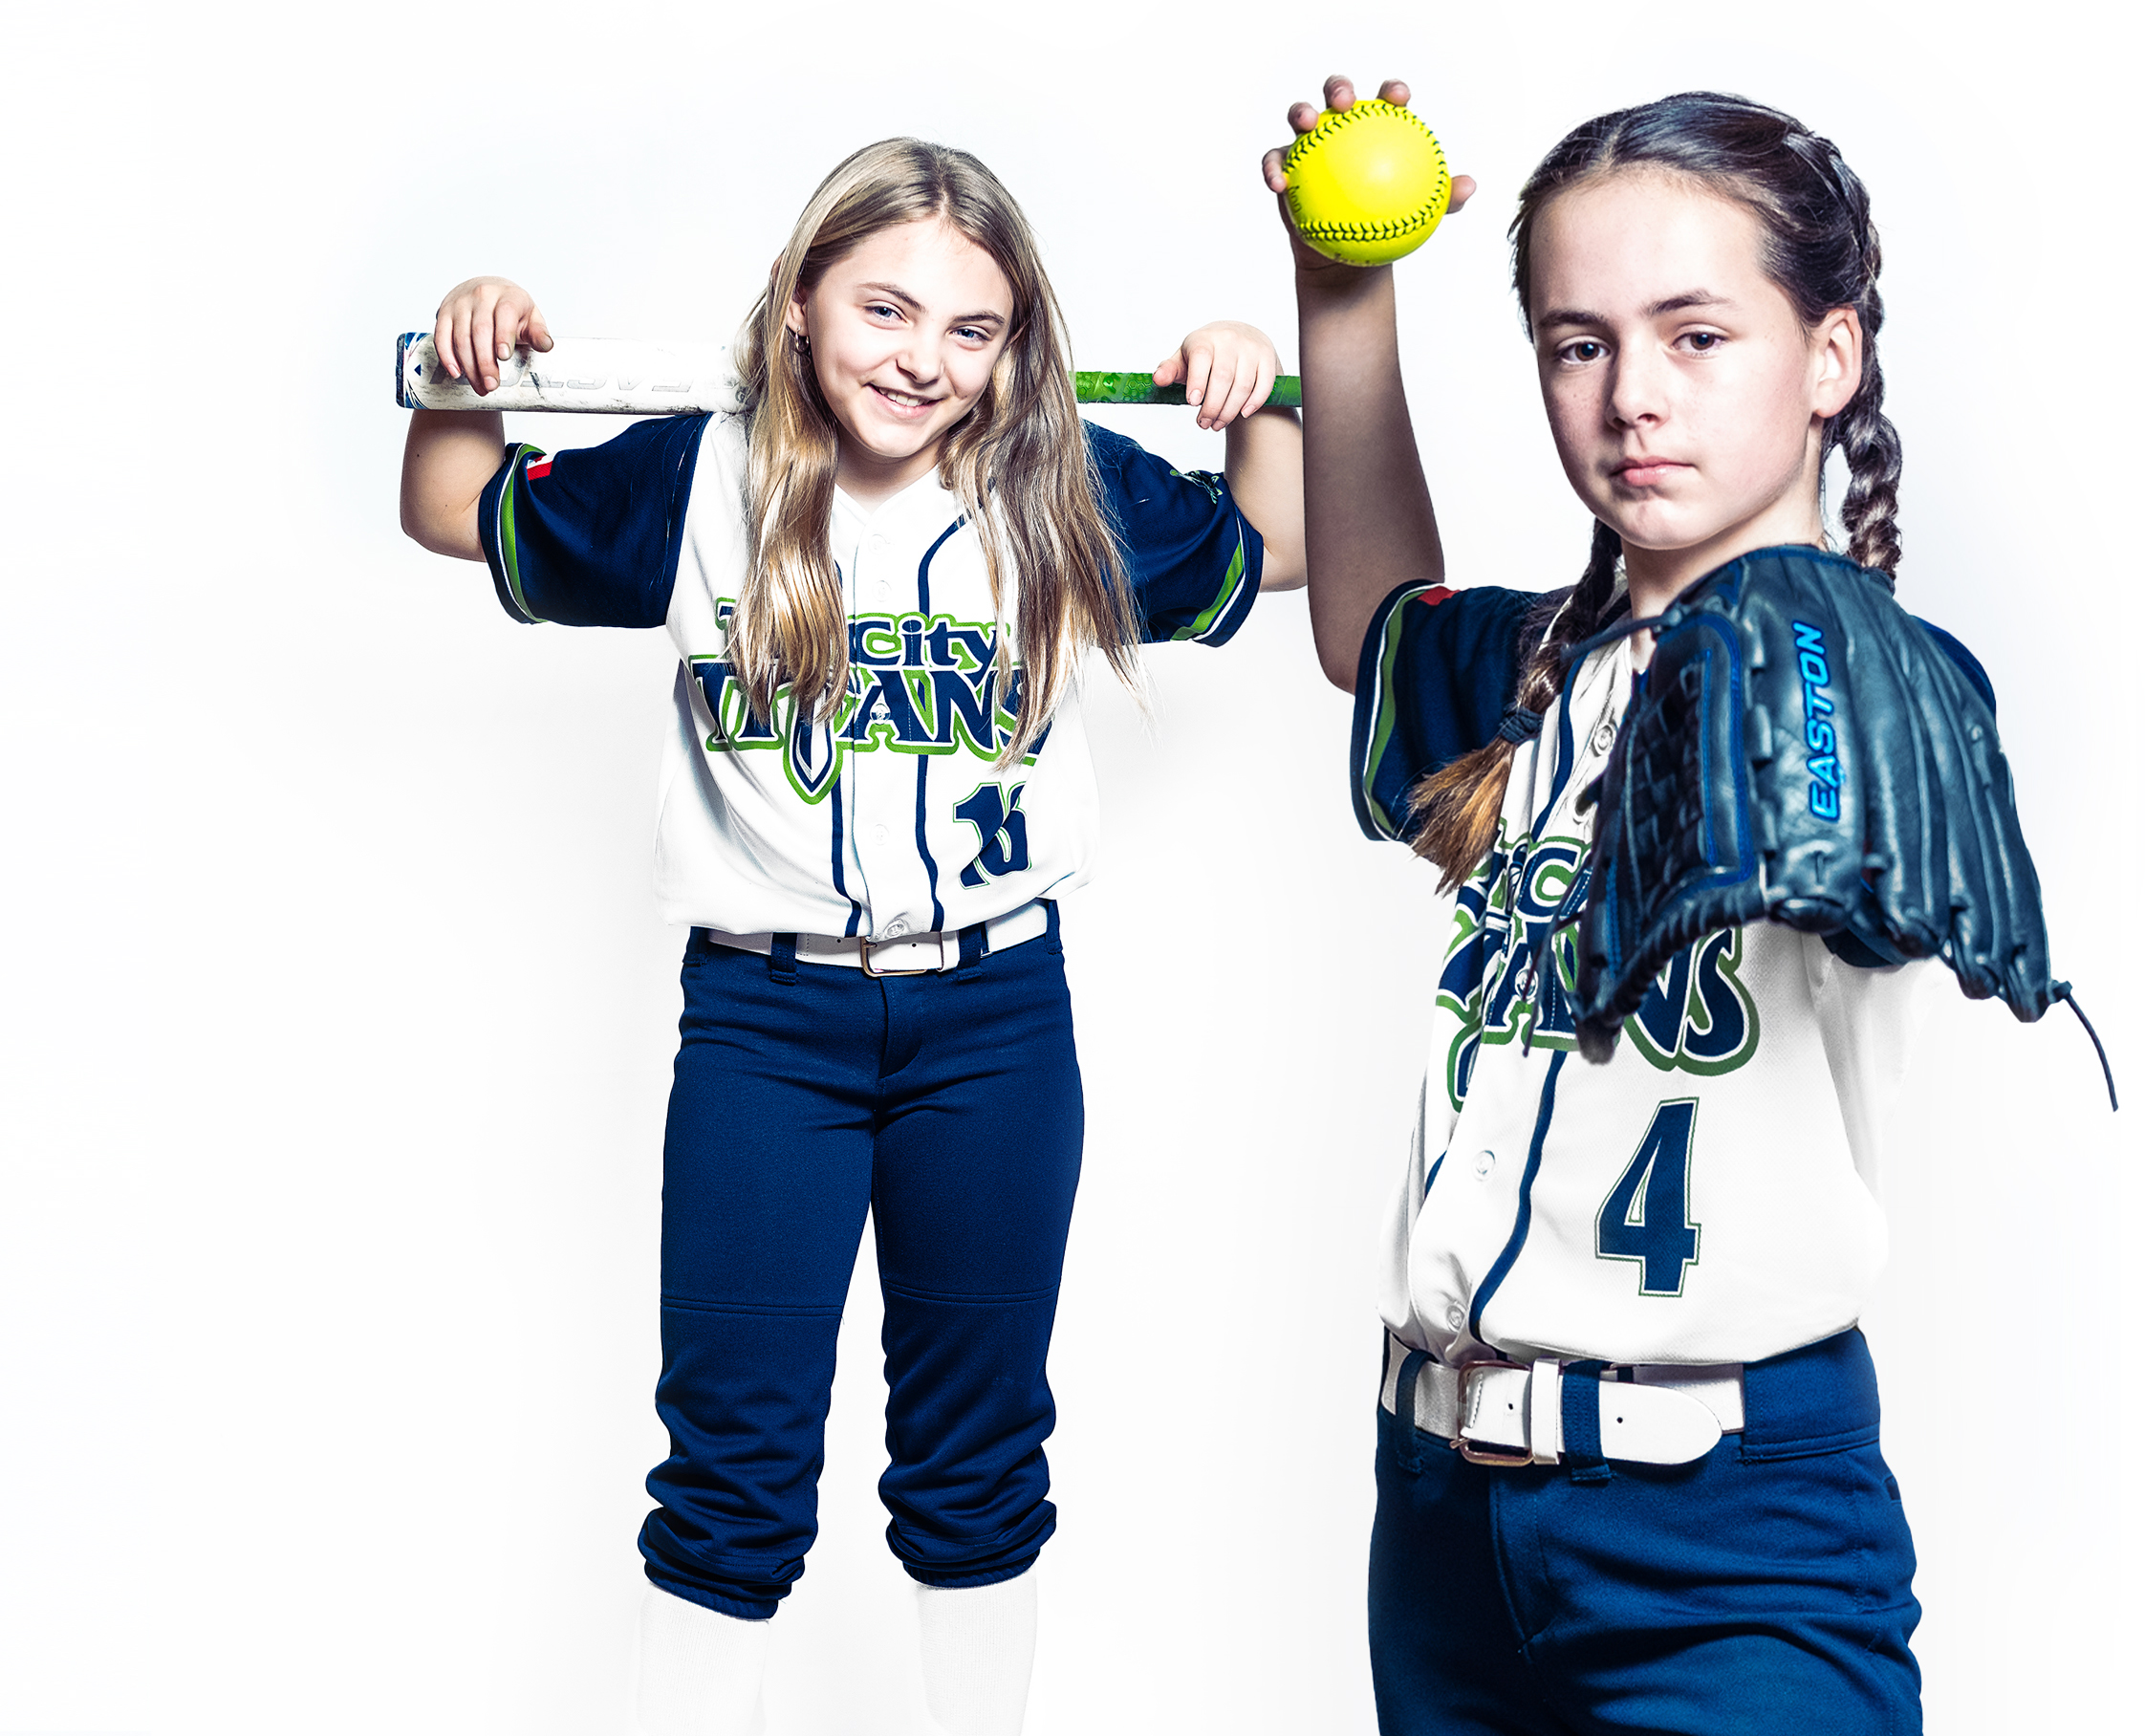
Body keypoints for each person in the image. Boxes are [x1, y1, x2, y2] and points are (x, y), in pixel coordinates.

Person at [400, 137, 1303, 1736]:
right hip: (765, 1028)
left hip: (997, 1022)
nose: (924, 360)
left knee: (977, 1453)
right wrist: (465, 355)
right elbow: (453, 512)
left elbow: (1279, 550)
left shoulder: (1062, 483)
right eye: (884, 310)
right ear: (801, 303)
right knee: (734, 1459)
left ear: (1017, 342)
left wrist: (1268, 402)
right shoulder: (700, 479)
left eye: (972, 329)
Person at [1268, 76, 1982, 1734]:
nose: (1631, 396)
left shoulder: (1869, 686)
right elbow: (1368, 621)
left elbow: (1855, 795)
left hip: (1727, 1526)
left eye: (1696, 336)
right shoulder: (1538, 676)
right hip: (1442, 1509)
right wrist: (1342, 287)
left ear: (1831, 358)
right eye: (1577, 342)